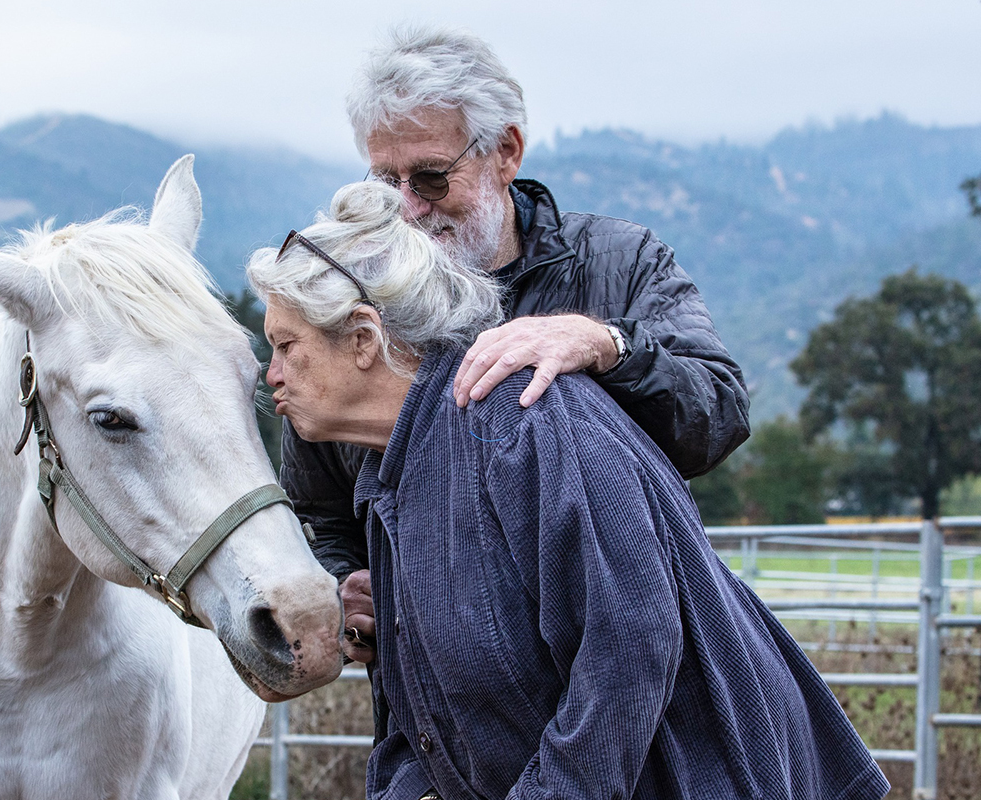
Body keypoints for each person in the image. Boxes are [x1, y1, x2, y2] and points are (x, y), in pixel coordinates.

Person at [247, 181, 887, 800]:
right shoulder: (393, 476)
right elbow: (420, 719)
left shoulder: (526, 422)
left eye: (284, 345)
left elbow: (632, 645)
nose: (270, 375)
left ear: (363, 340)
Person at [281, 26, 752, 664]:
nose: (408, 210)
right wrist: (347, 587)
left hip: (613, 662)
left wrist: (605, 343)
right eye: (383, 183)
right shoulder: (353, 302)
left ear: (506, 152)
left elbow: (717, 414)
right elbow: (317, 503)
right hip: (445, 701)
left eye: (430, 178)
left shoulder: (616, 262)